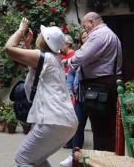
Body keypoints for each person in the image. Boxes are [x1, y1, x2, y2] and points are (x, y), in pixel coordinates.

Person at [4, 18, 78, 167]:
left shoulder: (45, 59)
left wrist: (21, 29)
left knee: (22, 158)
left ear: (44, 40)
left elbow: (8, 49)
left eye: (41, 34)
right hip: (65, 122)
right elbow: (35, 68)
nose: (38, 34)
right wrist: (28, 44)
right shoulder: (53, 59)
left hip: (54, 121)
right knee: (36, 160)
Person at [65, 12, 122, 152]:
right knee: (104, 127)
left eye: (85, 26)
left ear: (91, 22)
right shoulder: (107, 33)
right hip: (104, 84)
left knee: (102, 128)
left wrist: (67, 61)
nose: (85, 30)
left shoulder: (99, 34)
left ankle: (103, 159)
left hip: (101, 85)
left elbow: (81, 56)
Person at [60, 30, 89, 167]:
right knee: (77, 127)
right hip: (79, 95)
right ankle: (74, 158)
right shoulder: (78, 54)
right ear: (81, 40)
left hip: (94, 94)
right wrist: (69, 88)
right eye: (84, 37)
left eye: (88, 35)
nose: (86, 38)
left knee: (98, 129)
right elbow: (71, 72)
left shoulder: (96, 51)